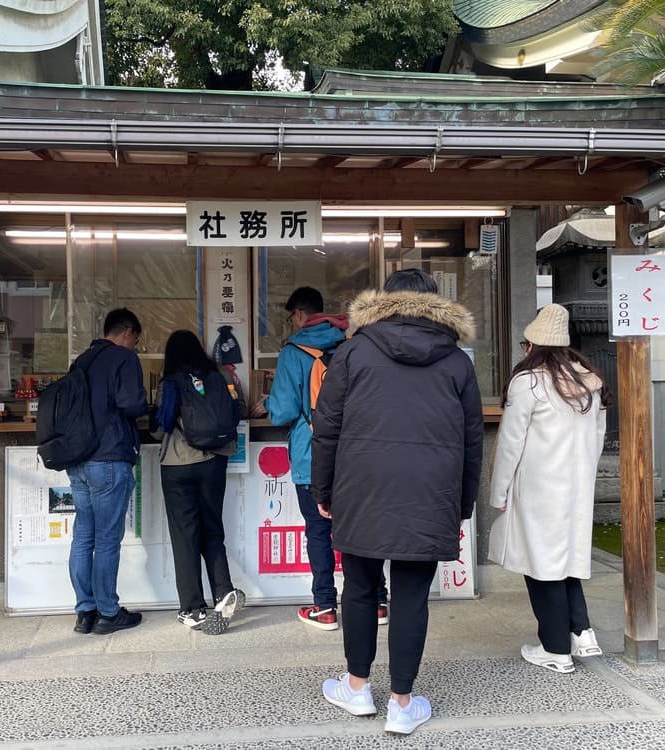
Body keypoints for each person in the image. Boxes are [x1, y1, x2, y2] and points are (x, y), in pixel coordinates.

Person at [312, 269, 483, 736]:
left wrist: (322, 491)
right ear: (435, 305)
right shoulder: (457, 362)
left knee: (361, 589)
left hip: (361, 487)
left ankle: (357, 687)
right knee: (410, 596)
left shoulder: (352, 352)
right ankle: (402, 703)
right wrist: (462, 505)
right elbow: (472, 443)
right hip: (431, 493)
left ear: (385, 301)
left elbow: (326, 429)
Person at [488, 303, 611, 673]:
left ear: (533, 345)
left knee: (541, 567)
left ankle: (556, 650)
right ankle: (582, 632)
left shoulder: (529, 382)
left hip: (538, 490)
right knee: (567, 562)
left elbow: (511, 443)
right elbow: (599, 438)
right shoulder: (590, 380)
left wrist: (499, 492)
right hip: (576, 488)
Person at [263, 286, 388, 631]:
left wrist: (270, 402)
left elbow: (284, 410)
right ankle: (377, 602)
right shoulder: (354, 341)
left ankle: (325, 607)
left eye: (291, 317)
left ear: (300, 315)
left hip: (310, 454)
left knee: (318, 530)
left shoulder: (293, 351)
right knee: (362, 528)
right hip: (356, 453)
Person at [153, 330, 247, 635]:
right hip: (213, 462)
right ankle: (223, 591)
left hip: (177, 466)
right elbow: (239, 410)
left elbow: (160, 427)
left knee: (185, 537)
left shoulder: (170, 381)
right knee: (212, 529)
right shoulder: (221, 374)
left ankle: (192, 609)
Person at [68, 308, 149, 635]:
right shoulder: (123, 358)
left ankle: (85, 611)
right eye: (136, 340)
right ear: (128, 331)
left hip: (78, 459)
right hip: (109, 457)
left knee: (83, 535)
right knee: (106, 539)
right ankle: (108, 612)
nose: (135, 346)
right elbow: (132, 403)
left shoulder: (82, 360)